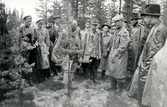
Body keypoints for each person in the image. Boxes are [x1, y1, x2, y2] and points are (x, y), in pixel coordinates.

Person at [129, 4, 167, 107]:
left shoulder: (160, 29)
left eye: (145, 16)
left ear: (150, 16)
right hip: (146, 68)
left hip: (150, 70)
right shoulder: (154, 27)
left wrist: (144, 74)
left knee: (147, 96)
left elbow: (154, 55)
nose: (144, 19)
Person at [104, 14, 130, 93]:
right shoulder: (116, 30)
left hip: (120, 54)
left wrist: (116, 52)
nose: (114, 24)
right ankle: (113, 85)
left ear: (121, 21)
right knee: (112, 70)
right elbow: (112, 42)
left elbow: (123, 46)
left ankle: (119, 88)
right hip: (113, 52)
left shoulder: (124, 32)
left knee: (119, 71)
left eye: (116, 22)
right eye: (113, 22)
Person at [18, 15, 38, 85]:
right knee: (22, 63)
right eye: (28, 21)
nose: (29, 23)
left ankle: (28, 80)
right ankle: (21, 80)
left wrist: (33, 44)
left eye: (30, 21)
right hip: (22, 48)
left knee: (29, 63)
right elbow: (18, 37)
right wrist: (24, 39)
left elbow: (33, 38)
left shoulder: (32, 28)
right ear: (24, 21)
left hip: (29, 48)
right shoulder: (21, 27)